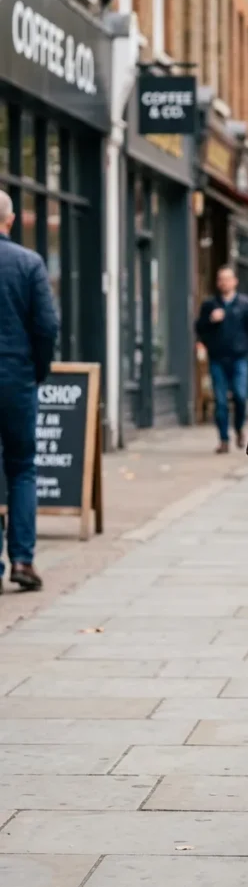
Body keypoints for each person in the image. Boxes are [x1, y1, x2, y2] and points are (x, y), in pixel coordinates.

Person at [0, 190, 58, 593]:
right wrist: (37, 370)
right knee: (22, 467)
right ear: (11, 218)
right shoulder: (27, 263)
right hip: (16, 378)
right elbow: (47, 327)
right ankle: (22, 559)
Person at [195, 266, 248, 453]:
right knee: (221, 401)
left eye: (227, 279)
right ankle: (224, 439)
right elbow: (199, 328)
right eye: (221, 279)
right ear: (218, 283)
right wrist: (210, 320)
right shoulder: (210, 305)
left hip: (240, 358)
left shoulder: (245, 303)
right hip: (217, 358)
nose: (224, 282)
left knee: (241, 397)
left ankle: (239, 428)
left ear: (235, 281)